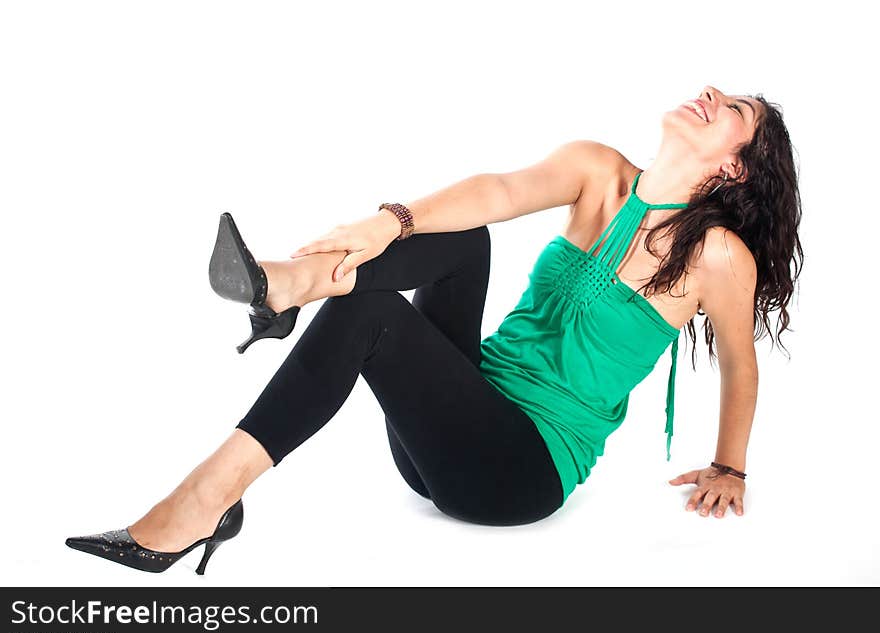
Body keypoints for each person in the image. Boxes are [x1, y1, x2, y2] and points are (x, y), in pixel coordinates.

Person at [65, 85, 802, 574]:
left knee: (371, 313)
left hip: (517, 470)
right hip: (452, 424)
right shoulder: (598, 169)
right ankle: (291, 281)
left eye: (733, 106)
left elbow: (741, 363)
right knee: (468, 234)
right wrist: (390, 220)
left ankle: (207, 496)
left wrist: (730, 468)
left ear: (739, 167)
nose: (710, 94)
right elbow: (501, 190)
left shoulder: (717, 256)